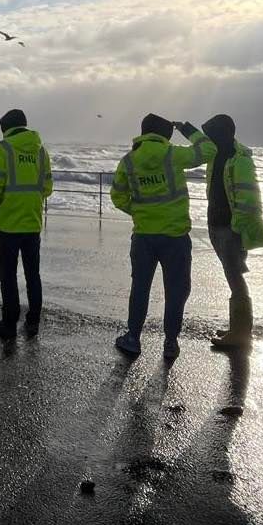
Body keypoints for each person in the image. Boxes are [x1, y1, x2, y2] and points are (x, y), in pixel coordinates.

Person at [110, 114, 216, 361]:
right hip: (175, 236)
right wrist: (188, 129)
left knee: (140, 288)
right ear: (165, 134)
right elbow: (209, 150)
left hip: (144, 236)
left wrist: (139, 212)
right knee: (176, 290)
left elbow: (118, 196)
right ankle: (170, 342)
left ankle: (133, 338)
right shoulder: (172, 154)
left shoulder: (129, 161)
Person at [202, 114, 263, 351]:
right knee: (231, 273)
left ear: (222, 134)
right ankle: (238, 328)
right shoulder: (217, 154)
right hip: (217, 223)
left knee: (234, 276)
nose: (208, 139)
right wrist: (185, 128)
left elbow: (249, 198)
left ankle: (241, 333)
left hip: (230, 227)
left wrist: (237, 228)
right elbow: (198, 142)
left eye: (212, 134)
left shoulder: (239, 160)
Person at [0, 109, 53, 341]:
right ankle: (33, 321)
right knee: (33, 275)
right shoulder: (41, 151)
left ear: (5, 129)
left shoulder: (2, 149)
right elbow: (47, 188)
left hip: (8, 224)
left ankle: (9, 323)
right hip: (32, 222)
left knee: (8, 275)